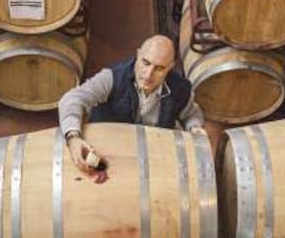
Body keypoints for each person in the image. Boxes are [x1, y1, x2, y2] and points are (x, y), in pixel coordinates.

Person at [59, 34, 206, 173]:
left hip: (152, 154)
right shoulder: (113, 78)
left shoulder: (181, 88)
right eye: (145, 63)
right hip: (109, 150)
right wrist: (73, 137)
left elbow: (191, 115)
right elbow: (72, 98)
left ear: (170, 66)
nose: (148, 75)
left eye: (159, 68)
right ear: (138, 54)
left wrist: (195, 128)